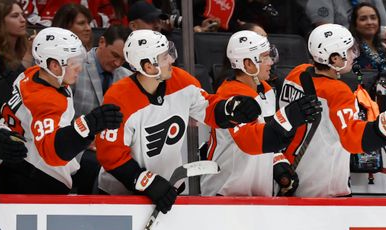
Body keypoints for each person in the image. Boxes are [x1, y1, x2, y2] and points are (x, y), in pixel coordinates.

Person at [95, 29, 261, 211]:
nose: (172, 60)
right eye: (165, 56)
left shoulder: (180, 80)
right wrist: (146, 182)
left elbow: (208, 109)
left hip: (167, 190)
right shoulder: (118, 97)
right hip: (122, 195)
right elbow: (110, 155)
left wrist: (230, 109)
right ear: (149, 66)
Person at [278, 23, 386, 197]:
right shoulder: (338, 92)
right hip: (322, 190)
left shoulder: (296, 73)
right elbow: (355, 142)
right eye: (348, 50)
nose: (354, 55)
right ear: (334, 59)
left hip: (290, 179)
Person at [0, 27, 123, 194]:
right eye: (73, 62)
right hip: (34, 180)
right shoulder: (47, 101)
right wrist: (89, 125)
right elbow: (52, 152)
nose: (79, 68)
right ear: (54, 65)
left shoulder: (33, 74)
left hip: (20, 167)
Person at [200, 30, 321, 196]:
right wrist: (290, 116)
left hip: (257, 193)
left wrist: (278, 164)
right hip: (225, 194)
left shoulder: (266, 90)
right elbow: (252, 141)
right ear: (248, 64)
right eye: (265, 57)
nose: (271, 62)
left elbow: (267, 135)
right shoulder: (233, 98)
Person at [73, 25, 132, 117]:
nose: (117, 63)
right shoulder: (75, 68)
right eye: (115, 55)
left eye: (123, 60)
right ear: (102, 42)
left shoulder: (128, 77)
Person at [350, 2, 386, 80]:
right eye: (363, 19)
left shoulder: (382, 48)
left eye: (373, 18)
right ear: (355, 24)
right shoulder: (352, 50)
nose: (370, 22)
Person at [0, 0, 32, 75]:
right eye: (15, 16)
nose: (23, 20)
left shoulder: (23, 46)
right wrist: (28, 54)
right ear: (0, 21)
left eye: (22, 15)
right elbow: (12, 81)